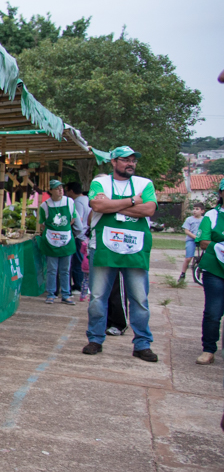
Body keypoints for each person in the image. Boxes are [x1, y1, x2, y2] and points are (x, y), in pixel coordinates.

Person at [83, 146, 158, 361]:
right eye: (125, 160)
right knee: (97, 297)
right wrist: (134, 201)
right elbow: (97, 205)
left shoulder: (145, 184)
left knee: (140, 299)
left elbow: (150, 209)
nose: (131, 163)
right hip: (104, 247)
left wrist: (112, 206)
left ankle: (142, 344)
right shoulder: (101, 183)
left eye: (133, 160)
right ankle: (95, 339)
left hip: (135, 249)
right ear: (113, 162)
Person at [195, 180, 224, 365]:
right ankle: (209, 349)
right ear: (220, 193)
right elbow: (203, 240)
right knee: (213, 311)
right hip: (215, 269)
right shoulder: (212, 215)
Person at [39, 179, 81, 305]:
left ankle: (66, 294)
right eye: (57, 188)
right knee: (52, 269)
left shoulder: (69, 202)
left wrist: (62, 229)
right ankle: (51, 293)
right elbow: (42, 223)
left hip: (66, 240)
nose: (60, 190)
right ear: (51, 190)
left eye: (61, 188)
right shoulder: (45, 205)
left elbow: (72, 218)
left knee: (65, 269)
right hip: (52, 240)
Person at [67, 180, 92, 301]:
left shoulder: (76, 202)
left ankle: (78, 285)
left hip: (79, 236)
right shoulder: (87, 199)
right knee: (83, 262)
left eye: (66, 190)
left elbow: (78, 218)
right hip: (87, 236)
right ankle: (83, 285)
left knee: (78, 262)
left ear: (71, 191)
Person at [179, 202, 205, 284]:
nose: (194, 211)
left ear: (202, 211)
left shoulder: (205, 219)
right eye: (193, 209)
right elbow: (187, 231)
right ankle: (183, 274)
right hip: (191, 240)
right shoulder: (189, 219)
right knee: (188, 258)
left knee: (207, 255)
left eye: (197, 209)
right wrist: (195, 237)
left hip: (202, 240)